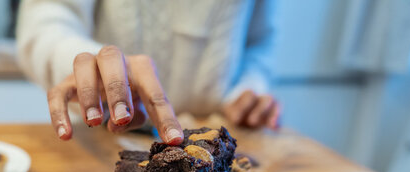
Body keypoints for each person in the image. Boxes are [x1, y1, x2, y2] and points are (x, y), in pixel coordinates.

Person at [17, 0, 280, 145]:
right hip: (106, 136)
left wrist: (249, 87)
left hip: (222, 133)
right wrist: (86, 63)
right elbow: (47, 21)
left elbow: (260, 40)